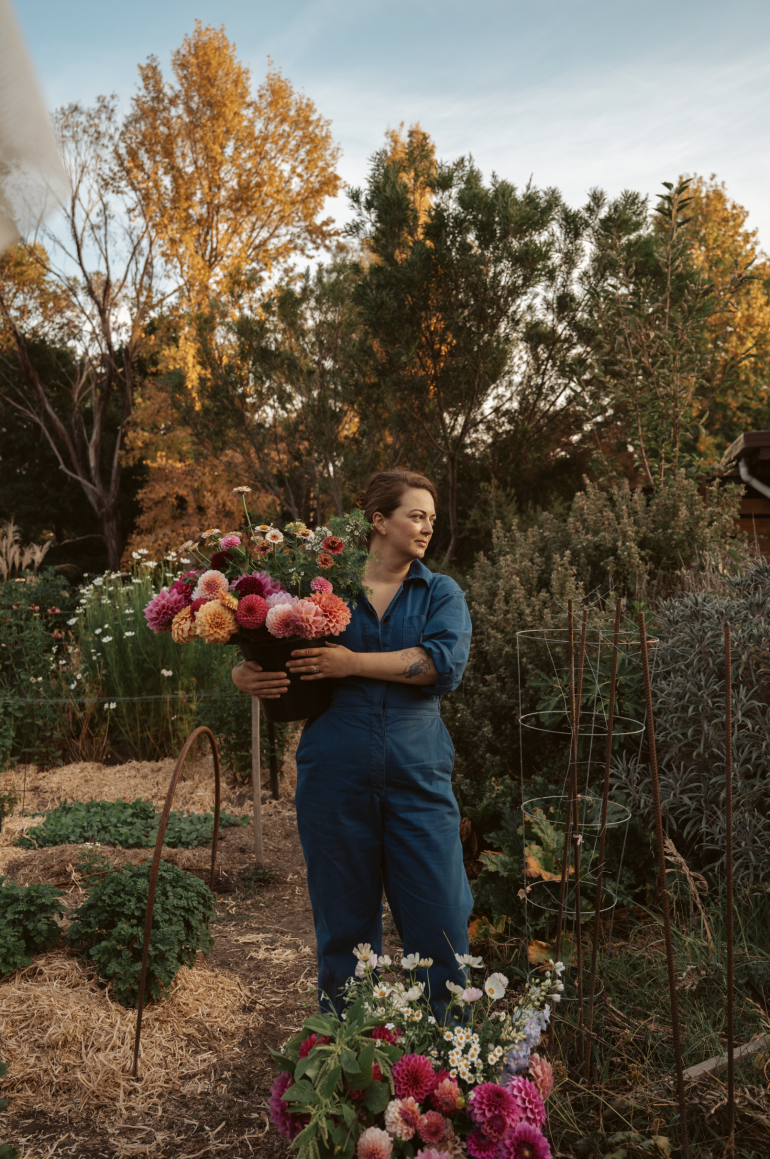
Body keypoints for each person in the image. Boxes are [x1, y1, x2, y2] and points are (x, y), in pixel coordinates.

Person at [230, 470, 474, 1015]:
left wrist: (351, 663)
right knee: (344, 929)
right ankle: (350, 1049)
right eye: (416, 515)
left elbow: (441, 664)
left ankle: (445, 1054)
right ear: (379, 521)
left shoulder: (440, 592)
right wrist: (242, 674)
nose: (427, 527)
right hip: (334, 774)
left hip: (419, 775)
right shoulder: (323, 592)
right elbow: (268, 648)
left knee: (442, 920)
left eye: (432, 519)